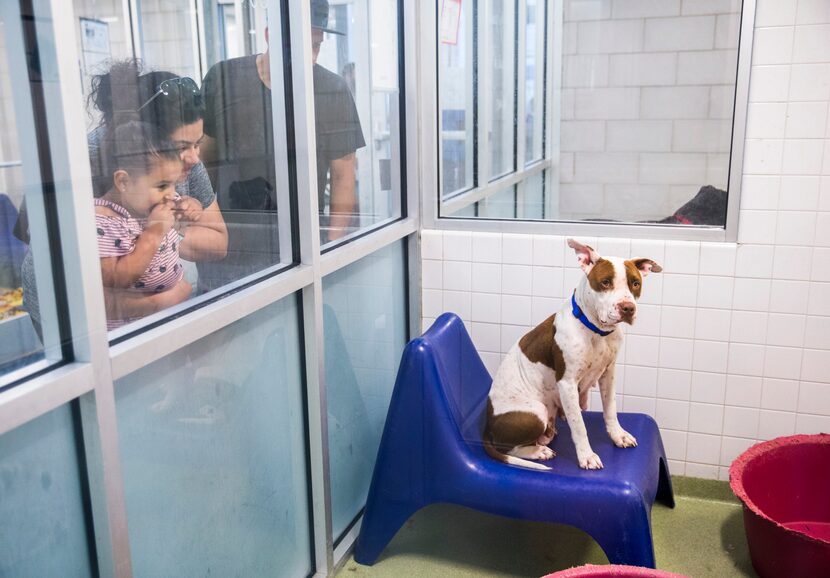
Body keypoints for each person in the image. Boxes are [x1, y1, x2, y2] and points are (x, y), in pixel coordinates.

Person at [19, 60, 228, 333]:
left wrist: (166, 230)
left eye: (197, 143)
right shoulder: (82, 163)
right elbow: (82, 288)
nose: (194, 157)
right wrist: (161, 299)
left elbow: (219, 242)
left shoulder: (187, 158)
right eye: (181, 147)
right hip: (70, 315)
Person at [200, 0, 364, 270]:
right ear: (269, 36)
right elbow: (205, 164)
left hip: (302, 248)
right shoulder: (224, 78)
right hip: (233, 245)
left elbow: (343, 174)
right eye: (302, 46)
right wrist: (205, 232)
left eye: (316, 46)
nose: (311, 57)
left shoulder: (332, 90)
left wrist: (332, 249)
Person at [93, 121, 193, 329]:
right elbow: (116, 279)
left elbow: (185, 216)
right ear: (123, 182)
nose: (171, 194)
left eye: (174, 184)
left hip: (166, 319)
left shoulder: (145, 206)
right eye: (162, 185)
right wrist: (153, 233)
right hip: (131, 331)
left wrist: (192, 206)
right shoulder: (105, 221)